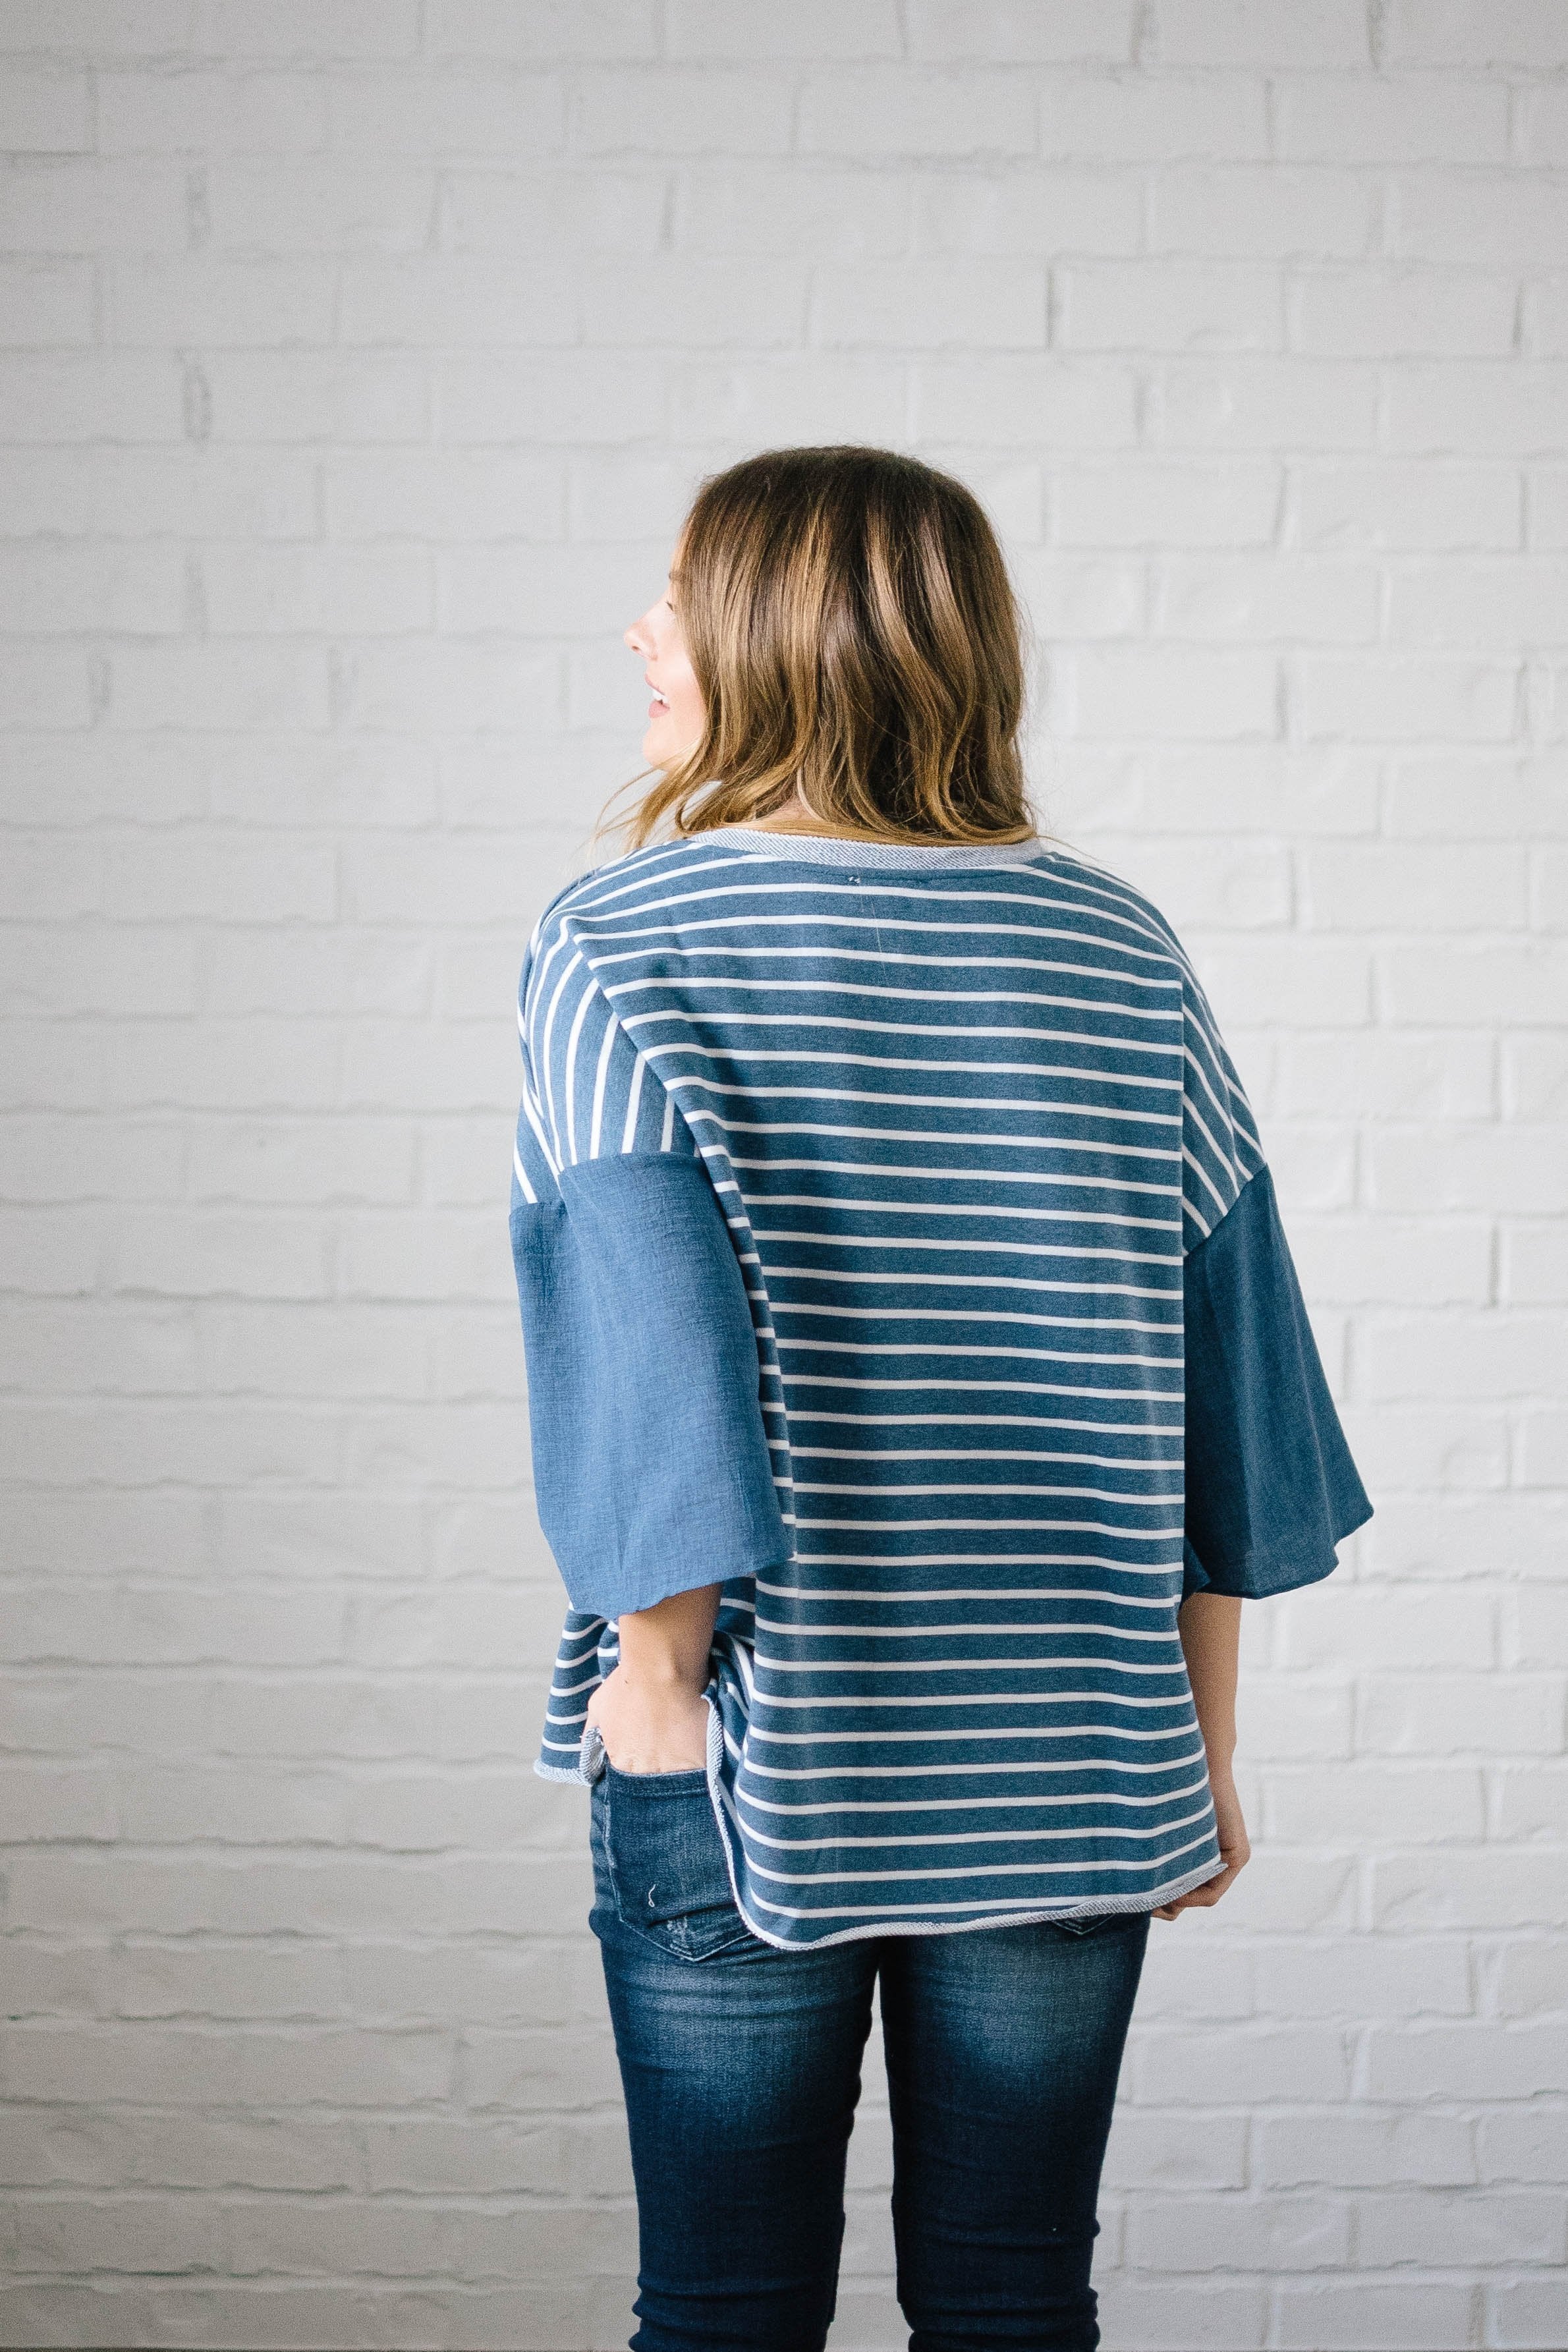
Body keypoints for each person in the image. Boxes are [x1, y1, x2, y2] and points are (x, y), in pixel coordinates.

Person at [509, 446, 1370, 2352]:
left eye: (673, 592)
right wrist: (1198, 1744)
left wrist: (655, 1685)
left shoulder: (619, 940)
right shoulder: (1116, 946)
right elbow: (1220, 1367)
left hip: (750, 1747)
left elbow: (648, 1350)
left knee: (724, 2309)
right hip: (1071, 1755)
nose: (637, 632)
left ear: (776, 631)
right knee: (1009, 2302)